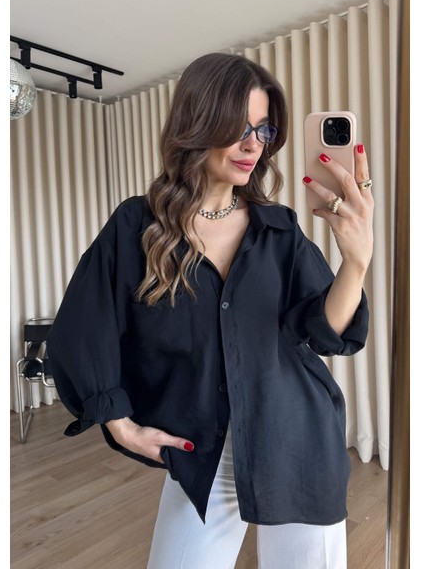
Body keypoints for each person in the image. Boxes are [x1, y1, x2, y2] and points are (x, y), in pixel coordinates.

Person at [47, 52, 374, 569]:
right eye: (238, 126)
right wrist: (119, 423)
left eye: (263, 130)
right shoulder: (136, 227)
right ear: (197, 123)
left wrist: (356, 261)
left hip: (297, 440)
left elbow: (325, 332)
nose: (253, 144)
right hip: (202, 455)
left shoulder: (279, 229)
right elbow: (84, 329)